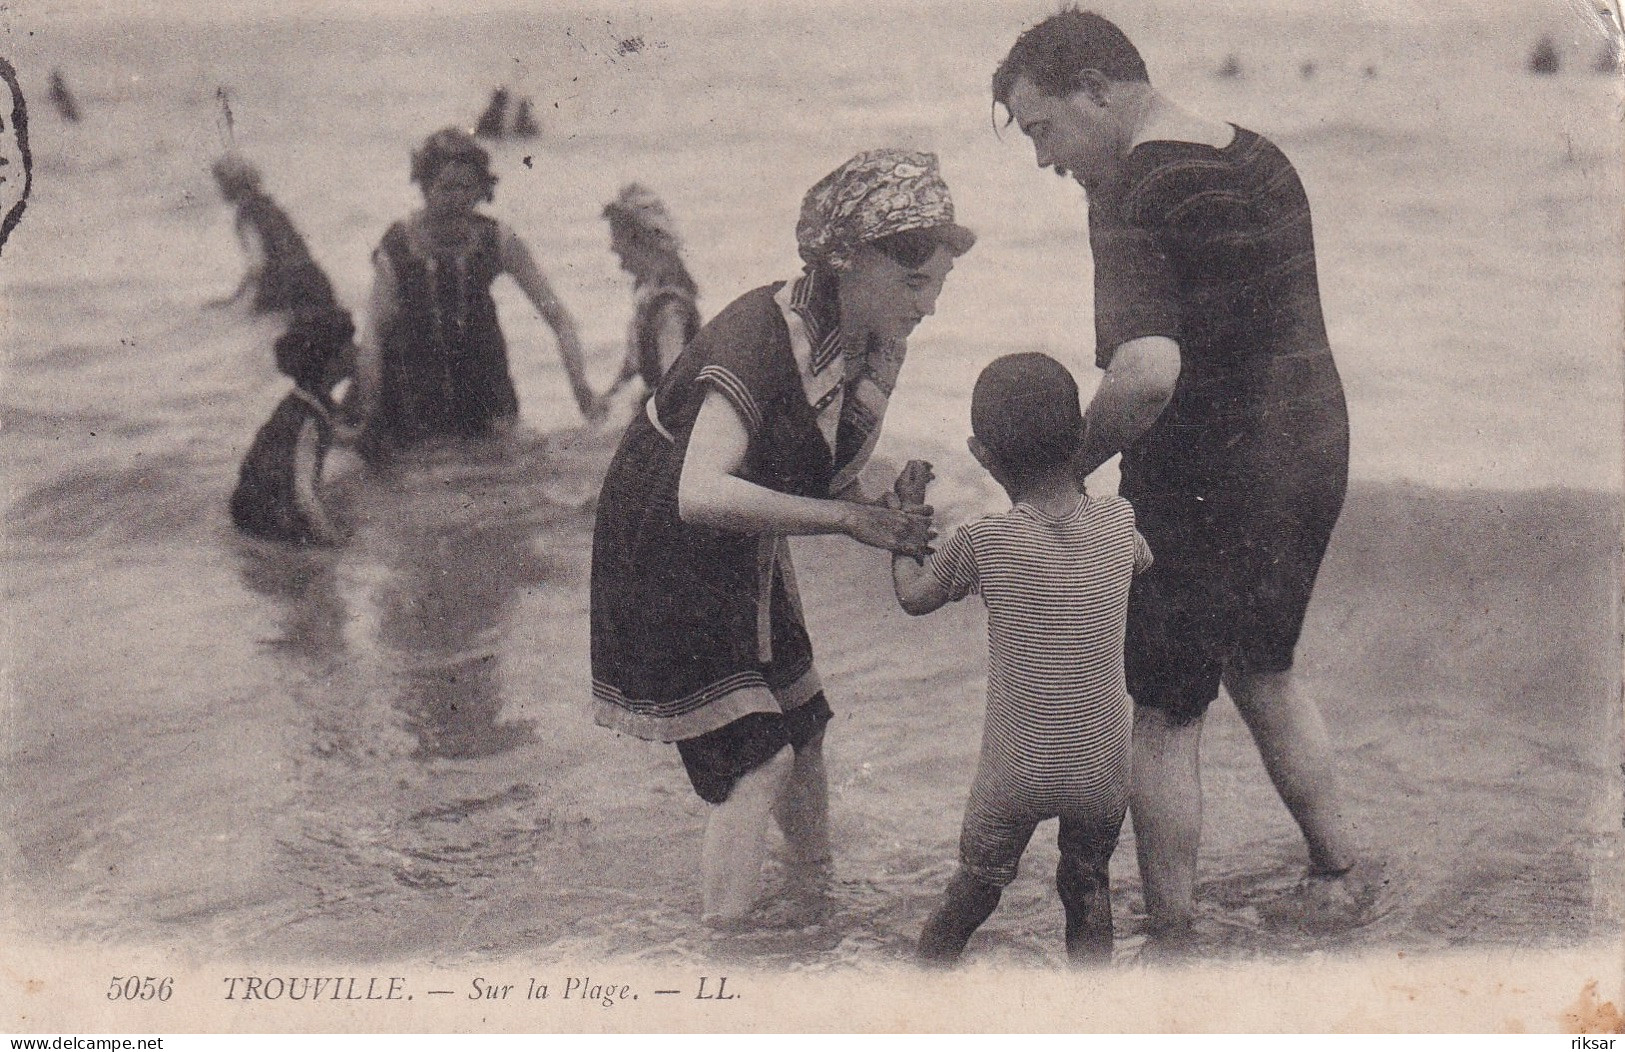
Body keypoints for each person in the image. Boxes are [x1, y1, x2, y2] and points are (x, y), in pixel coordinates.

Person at [992, 10, 1370, 949]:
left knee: (1165, 712)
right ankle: (1337, 874)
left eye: (1042, 128)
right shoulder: (1259, 154)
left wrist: (1062, 477)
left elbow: (1146, 372)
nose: (1043, 158)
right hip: (1312, 446)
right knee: (1266, 672)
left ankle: (1172, 934)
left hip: (1205, 469)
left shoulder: (1130, 186)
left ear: (1096, 90)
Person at [590, 149, 974, 928]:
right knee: (755, 758)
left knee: (804, 725)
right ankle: (723, 950)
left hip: (739, 545)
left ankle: (813, 898)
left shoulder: (855, 335)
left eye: (936, 283)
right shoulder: (761, 335)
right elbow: (699, 492)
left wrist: (878, 510)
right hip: (662, 545)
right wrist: (847, 519)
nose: (928, 304)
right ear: (848, 262)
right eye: (912, 282)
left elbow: (810, 470)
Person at [888, 353, 1153, 965]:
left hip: (1018, 769)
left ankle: (919, 996)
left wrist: (906, 526)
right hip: (1100, 767)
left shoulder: (984, 540)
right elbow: (1140, 560)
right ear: (1083, 436)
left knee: (975, 888)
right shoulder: (1118, 520)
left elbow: (913, 596)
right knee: (1087, 884)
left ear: (982, 455)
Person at [352, 128, 599, 459]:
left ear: (484, 189)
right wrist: (369, 412)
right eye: (445, 188)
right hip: (414, 390)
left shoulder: (496, 240)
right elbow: (373, 338)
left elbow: (559, 319)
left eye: (466, 187)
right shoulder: (398, 246)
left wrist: (582, 390)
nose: (457, 199)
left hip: (484, 386)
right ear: (425, 188)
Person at [229, 301, 356, 547]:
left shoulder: (306, 402)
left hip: (250, 508)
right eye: (349, 345)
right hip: (267, 520)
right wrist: (331, 539)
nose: (357, 350)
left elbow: (329, 436)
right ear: (330, 361)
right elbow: (303, 491)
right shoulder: (308, 418)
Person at [208, 154, 342, 320]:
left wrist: (234, 300)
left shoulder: (246, 215)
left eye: (220, 183)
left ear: (229, 185)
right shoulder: (270, 206)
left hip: (285, 292)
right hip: (316, 283)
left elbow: (258, 266)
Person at [601, 183, 702, 398]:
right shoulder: (650, 297)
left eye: (616, 237)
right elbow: (631, 368)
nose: (612, 247)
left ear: (639, 242)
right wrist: (605, 403)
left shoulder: (670, 309)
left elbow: (674, 387)